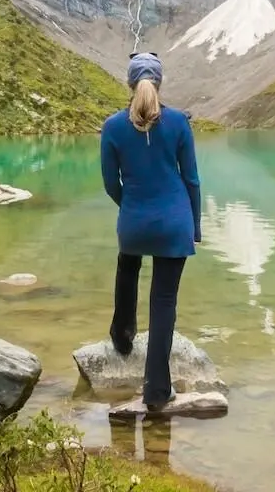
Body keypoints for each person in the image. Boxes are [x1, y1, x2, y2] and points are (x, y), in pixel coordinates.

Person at [99, 51, 202, 411]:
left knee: (128, 267)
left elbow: (111, 183)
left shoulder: (112, 127)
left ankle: (122, 334)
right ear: (159, 82)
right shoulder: (177, 123)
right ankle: (157, 391)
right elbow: (191, 179)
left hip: (134, 221)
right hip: (175, 222)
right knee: (164, 302)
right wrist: (196, 226)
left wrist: (132, 207)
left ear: (129, 83)